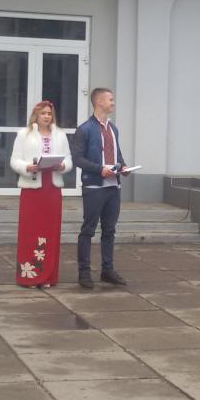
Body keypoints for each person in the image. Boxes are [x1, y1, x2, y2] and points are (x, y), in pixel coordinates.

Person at [70, 87, 131, 289]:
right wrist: (99, 170)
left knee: (109, 230)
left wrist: (123, 167)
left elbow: (117, 155)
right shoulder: (84, 129)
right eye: (110, 99)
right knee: (88, 230)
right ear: (99, 102)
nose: (113, 103)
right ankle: (84, 273)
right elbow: (77, 159)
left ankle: (107, 270)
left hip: (113, 187)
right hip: (95, 187)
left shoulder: (113, 129)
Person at [9, 101, 72, 288]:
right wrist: (27, 167)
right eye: (43, 113)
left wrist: (62, 166)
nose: (46, 116)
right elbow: (14, 160)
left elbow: (69, 159)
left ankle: (47, 276)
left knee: (50, 231)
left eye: (49, 113)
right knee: (30, 232)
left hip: (52, 190)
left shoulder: (60, 135)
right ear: (36, 115)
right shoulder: (24, 134)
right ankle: (29, 277)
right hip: (32, 190)